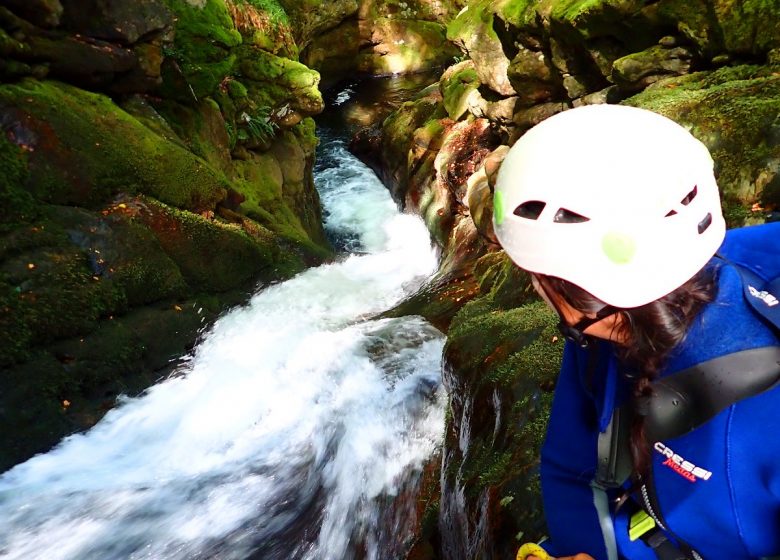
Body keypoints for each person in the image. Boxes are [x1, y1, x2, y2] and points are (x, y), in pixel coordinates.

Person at [491, 104, 780, 560]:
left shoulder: (757, 417)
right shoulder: (604, 326)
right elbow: (573, 461)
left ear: (573, 291)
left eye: (533, 275)